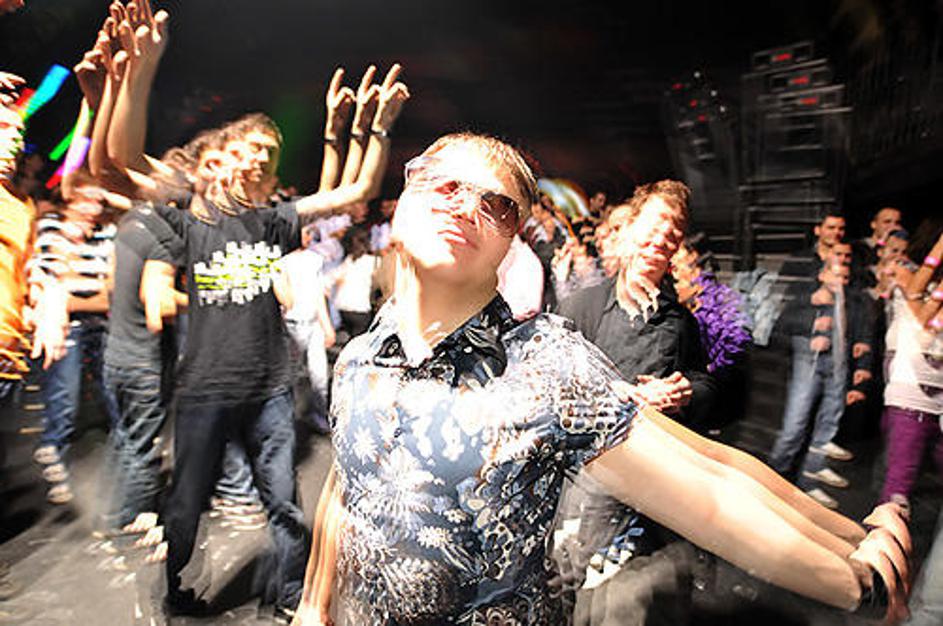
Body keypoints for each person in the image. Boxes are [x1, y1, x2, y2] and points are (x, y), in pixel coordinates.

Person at [293, 133, 912, 625]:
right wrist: (314, 608)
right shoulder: (360, 360)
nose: (464, 205)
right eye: (447, 184)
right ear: (406, 194)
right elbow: (348, 487)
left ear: (512, 239)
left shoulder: (542, 367)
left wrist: (853, 574)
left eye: (496, 204)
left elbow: (707, 483)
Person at [133, 63, 408, 619]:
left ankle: (286, 597)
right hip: (205, 390)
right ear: (225, 156)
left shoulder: (271, 222)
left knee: (284, 503)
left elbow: (353, 192)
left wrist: (367, 128)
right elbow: (116, 168)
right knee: (186, 506)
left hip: (269, 389)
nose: (256, 159)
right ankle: (173, 594)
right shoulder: (188, 226)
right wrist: (128, 82)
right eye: (247, 149)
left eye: (267, 152)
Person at [769, 245, 874, 509]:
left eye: (845, 278)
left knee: (827, 427)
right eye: (836, 276)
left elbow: (864, 335)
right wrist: (810, 327)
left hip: (839, 367)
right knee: (795, 426)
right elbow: (778, 330)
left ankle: (809, 482)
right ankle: (773, 480)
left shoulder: (854, 304)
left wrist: (862, 366)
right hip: (808, 365)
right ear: (822, 275)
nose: (841, 283)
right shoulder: (806, 299)